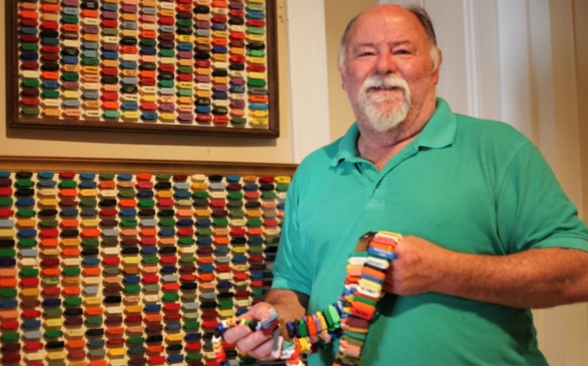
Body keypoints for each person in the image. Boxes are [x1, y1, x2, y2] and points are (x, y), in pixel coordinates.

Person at [221, 3, 588, 365]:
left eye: (402, 50)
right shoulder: (314, 171)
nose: (383, 66)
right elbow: (293, 292)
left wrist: (445, 271)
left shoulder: (500, 150)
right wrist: (272, 323)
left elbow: (579, 273)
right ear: (343, 74)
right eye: (366, 53)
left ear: (434, 66)